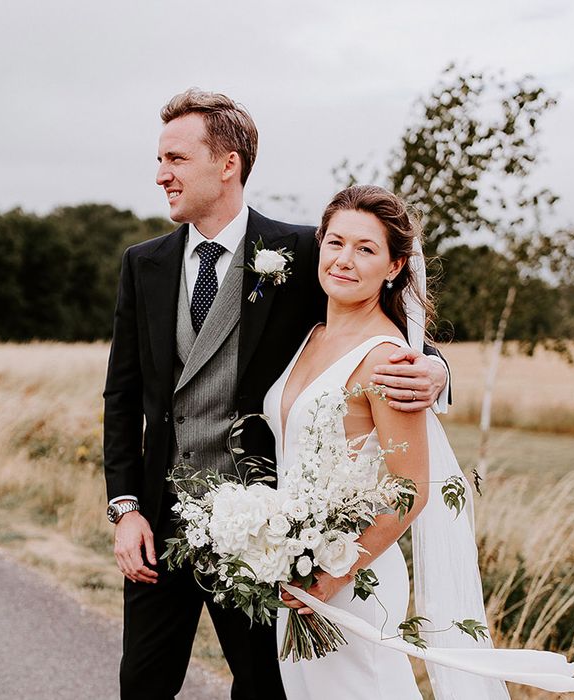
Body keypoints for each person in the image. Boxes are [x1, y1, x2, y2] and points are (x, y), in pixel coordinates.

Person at [102, 90, 450, 700]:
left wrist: (435, 371)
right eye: (161, 160)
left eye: (177, 159)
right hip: (160, 521)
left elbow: (374, 322)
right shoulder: (144, 263)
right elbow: (122, 396)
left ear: (228, 163)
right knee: (142, 684)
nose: (161, 175)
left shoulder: (307, 253)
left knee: (267, 688)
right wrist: (125, 507)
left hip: (264, 532)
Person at [267, 185, 574, 698]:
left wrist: (335, 572)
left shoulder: (391, 361)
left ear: (395, 266)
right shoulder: (311, 334)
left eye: (366, 249)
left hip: (347, 575)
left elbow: (411, 488)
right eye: (335, 242)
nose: (344, 259)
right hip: (296, 566)